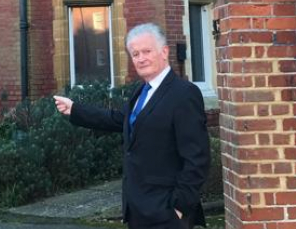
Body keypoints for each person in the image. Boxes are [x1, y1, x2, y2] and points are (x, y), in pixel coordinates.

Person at [54, 23, 210, 229]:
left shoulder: (184, 93)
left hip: (166, 213)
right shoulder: (141, 91)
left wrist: (179, 207)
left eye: (147, 51)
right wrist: (75, 110)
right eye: (135, 54)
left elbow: (198, 158)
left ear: (164, 52)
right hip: (137, 209)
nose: (141, 58)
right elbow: (121, 120)